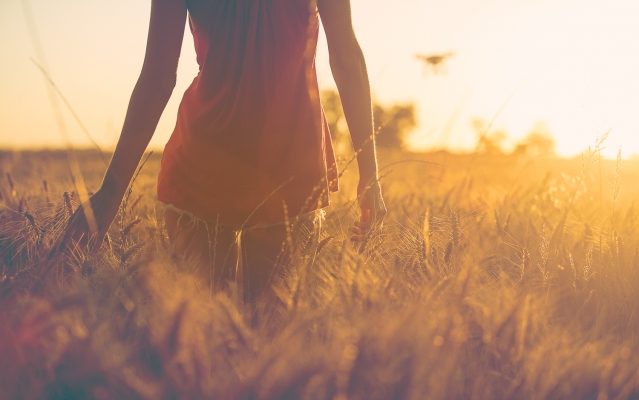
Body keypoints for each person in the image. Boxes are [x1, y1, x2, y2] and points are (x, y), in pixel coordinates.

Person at [61, 0, 386, 303]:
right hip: (280, 165)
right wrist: (369, 175)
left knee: (208, 330)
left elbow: (159, 77)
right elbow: (347, 61)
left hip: (219, 166)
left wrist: (112, 190)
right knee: (262, 337)